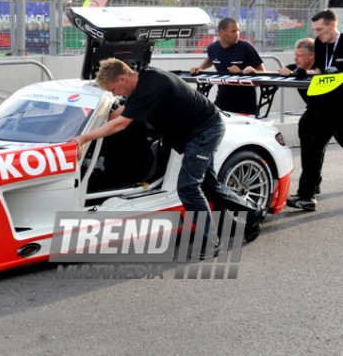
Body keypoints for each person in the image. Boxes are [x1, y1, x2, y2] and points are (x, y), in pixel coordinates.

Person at [71, 58, 262, 259]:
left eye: (112, 89)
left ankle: (212, 243)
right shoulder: (141, 84)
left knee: (188, 187)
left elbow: (120, 124)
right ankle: (253, 213)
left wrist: (83, 138)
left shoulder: (152, 85)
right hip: (194, 134)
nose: (114, 94)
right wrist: (83, 124)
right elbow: (118, 114)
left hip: (205, 131)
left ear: (122, 79)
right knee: (210, 187)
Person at [287, 10, 343, 211]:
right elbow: (319, 71)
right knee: (309, 136)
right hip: (324, 104)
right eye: (315, 30)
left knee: (315, 146)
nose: (317, 34)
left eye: (320, 29)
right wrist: (304, 72)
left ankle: (306, 196)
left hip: (341, 105)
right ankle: (310, 188)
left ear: (332, 25)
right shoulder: (320, 44)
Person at [190, 18, 266, 115]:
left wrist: (244, 72)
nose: (237, 34)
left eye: (238, 30)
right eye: (233, 31)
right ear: (222, 32)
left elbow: (262, 71)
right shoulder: (213, 48)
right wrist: (200, 68)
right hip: (222, 103)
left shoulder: (246, 47)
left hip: (246, 105)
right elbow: (211, 59)